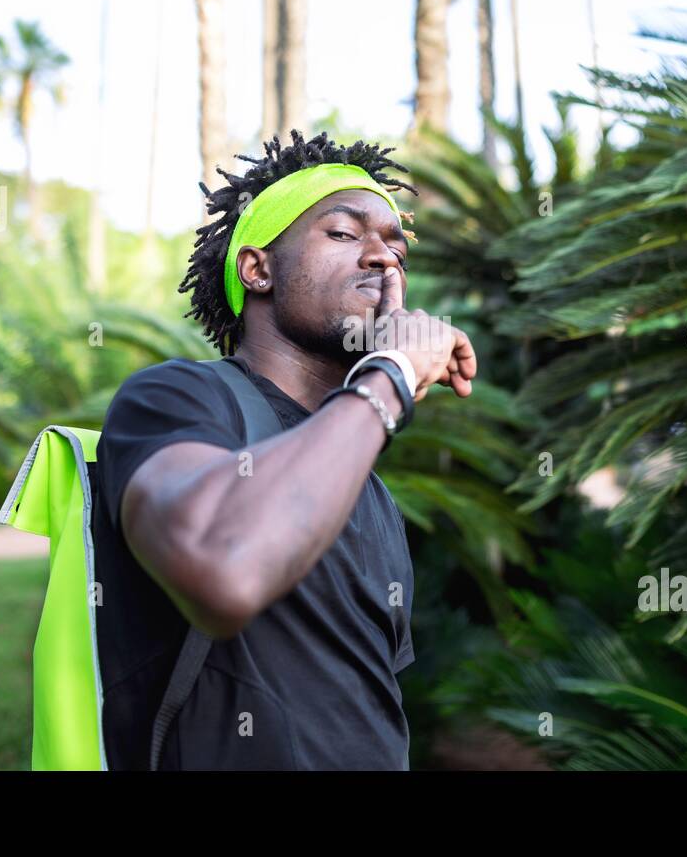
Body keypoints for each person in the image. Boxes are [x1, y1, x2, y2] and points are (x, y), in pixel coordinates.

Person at [92, 129, 478, 769]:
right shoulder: (179, 398)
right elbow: (223, 568)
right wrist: (389, 378)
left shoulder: (364, 483)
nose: (384, 259)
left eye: (396, 247)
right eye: (345, 234)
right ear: (258, 268)